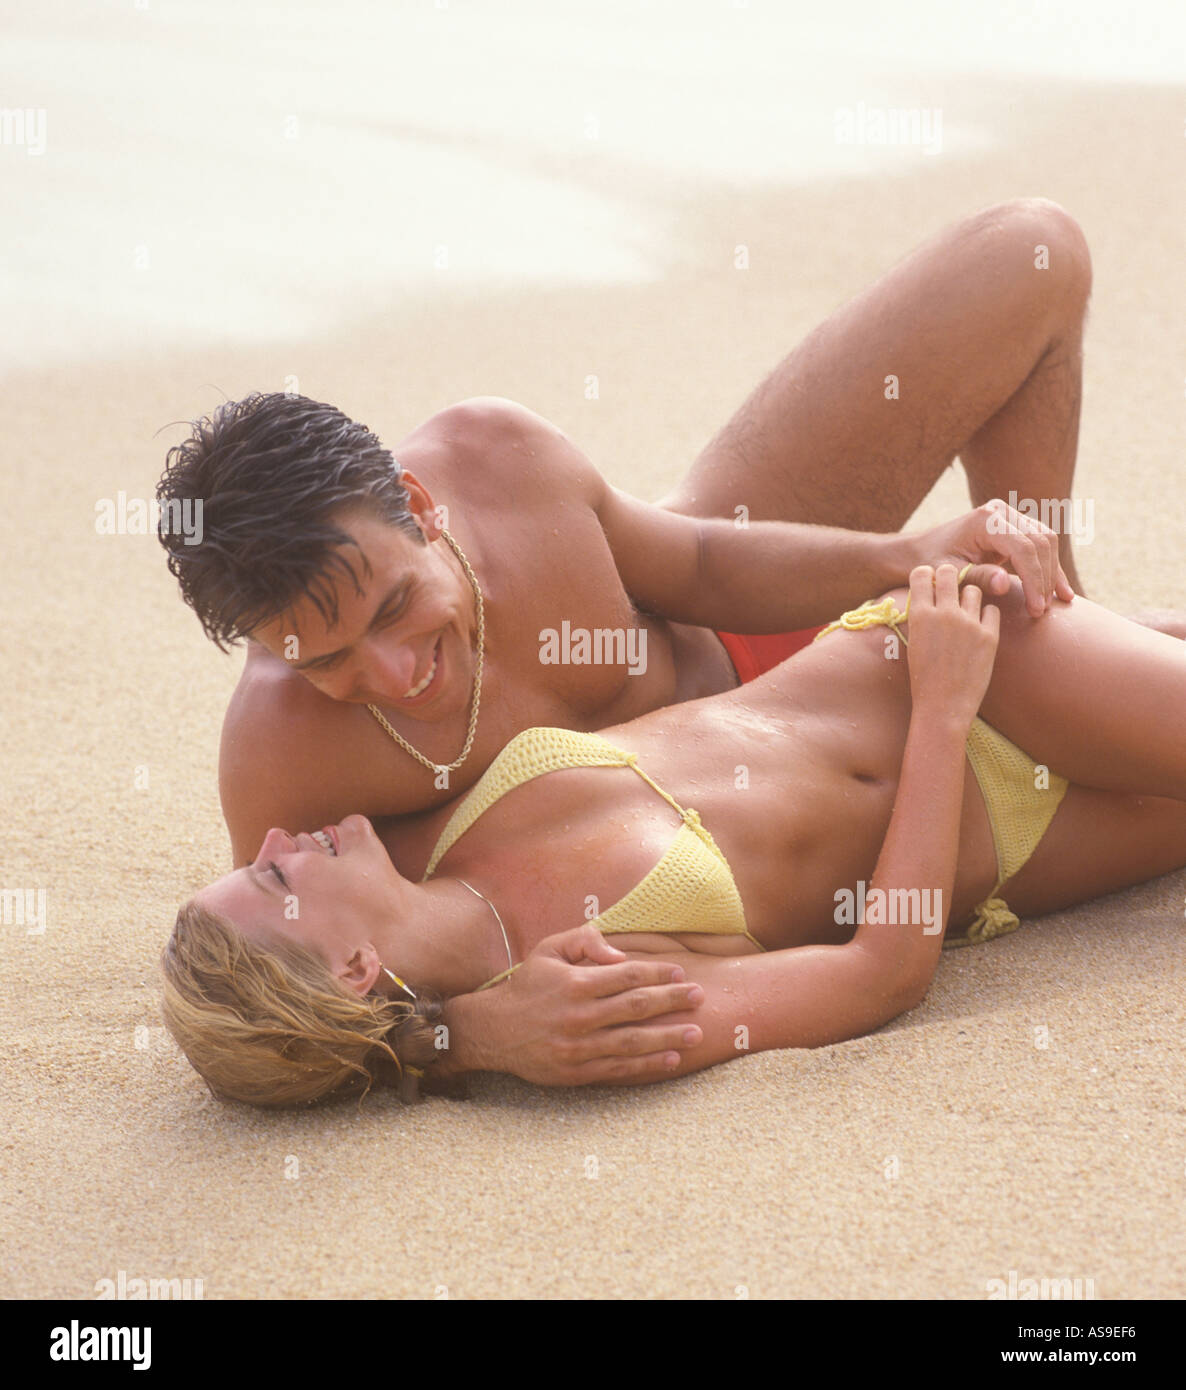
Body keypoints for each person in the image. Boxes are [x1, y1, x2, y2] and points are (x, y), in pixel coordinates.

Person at [156, 197, 1157, 1081]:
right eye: (322, 660)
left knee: (1028, 249)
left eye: (390, 608)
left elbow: (705, 565)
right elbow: (302, 1010)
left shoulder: (495, 460)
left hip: (771, 633)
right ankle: (1101, 680)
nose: (389, 672)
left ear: (420, 507)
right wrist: (463, 1036)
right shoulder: (290, 775)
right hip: (891, 770)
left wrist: (901, 555)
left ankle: (1075, 616)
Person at [162, 565, 1186, 1107]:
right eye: (270, 874)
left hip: (949, 660)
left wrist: (445, 1040)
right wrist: (941, 715)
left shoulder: (418, 836)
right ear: (351, 966)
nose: (280, 837)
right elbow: (879, 974)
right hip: (998, 798)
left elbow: (373, 1041)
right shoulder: (585, 1001)